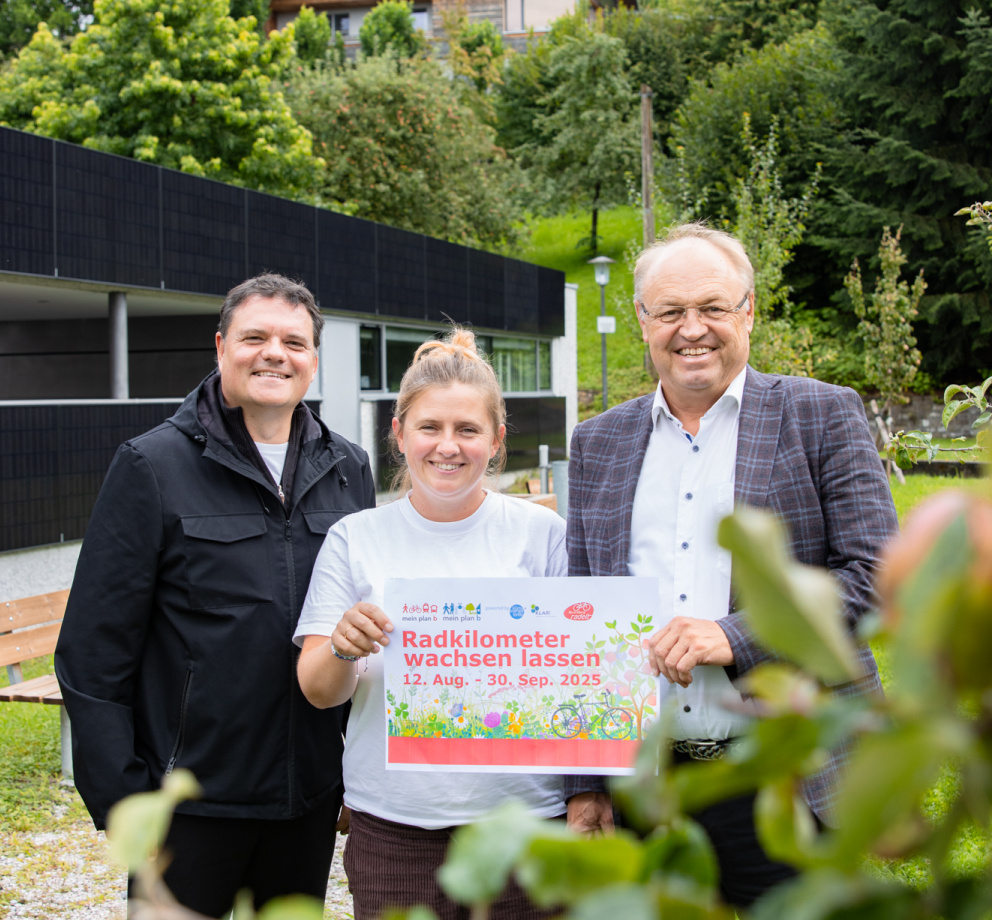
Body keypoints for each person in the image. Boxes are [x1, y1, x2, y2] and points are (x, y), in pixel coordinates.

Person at [564, 224, 898, 908]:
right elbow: (581, 613)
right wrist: (585, 781)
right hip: (646, 781)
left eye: (713, 307)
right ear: (642, 321)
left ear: (749, 311)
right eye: (671, 311)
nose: (693, 329)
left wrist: (735, 636)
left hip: (788, 776)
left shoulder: (821, 415)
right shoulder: (597, 442)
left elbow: (877, 580)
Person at [55, 273, 375, 918]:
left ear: (314, 358)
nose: (274, 353)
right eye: (254, 337)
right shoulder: (151, 466)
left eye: (294, 341)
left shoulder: (348, 469)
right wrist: (126, 808)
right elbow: (93, 654)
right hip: (188, 804)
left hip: (305, 800)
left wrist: (352, 775)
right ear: (222, 346)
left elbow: (354, 634)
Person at [294, 329, 568, 920]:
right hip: (395, 827)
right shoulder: (354, 538)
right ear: (398, 434)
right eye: (430, 428)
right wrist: (342, 647)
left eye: (468, 430)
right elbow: (318, 690)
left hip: (525, 824)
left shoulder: (542, 533)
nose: (449, 446)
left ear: (496, 440)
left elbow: (580, 681)